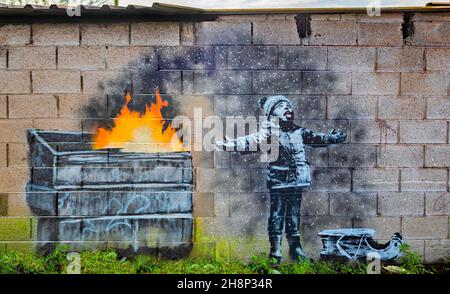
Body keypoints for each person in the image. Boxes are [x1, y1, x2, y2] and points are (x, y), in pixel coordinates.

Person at [216, 95, 347, 263]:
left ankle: (295, 247)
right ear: (271, 114)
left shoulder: (298, 131)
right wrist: (231, 145)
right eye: (282, 106)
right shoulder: (269, 133)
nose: (288, 108)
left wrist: (332, 138)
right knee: (277, 215)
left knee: (293, 214)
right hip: (278, 181)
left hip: (297, 180)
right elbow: (250, 141)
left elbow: (316, 138)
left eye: (289, 106)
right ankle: (276, 250)